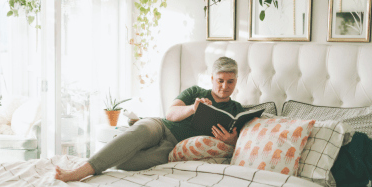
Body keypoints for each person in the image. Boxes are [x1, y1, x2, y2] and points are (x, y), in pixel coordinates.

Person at [55, 57, 245, 182]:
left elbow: (242, 142)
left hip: (173, 148)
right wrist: (192, 108)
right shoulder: (195, 92)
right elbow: (170, 114)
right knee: (142, 131)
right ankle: (80, 171)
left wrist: (232, 141)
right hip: (161, 126)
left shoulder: (237, 109)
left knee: (124, 161)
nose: (224, 86)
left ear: (236, 81)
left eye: (230, 81)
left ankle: (116, 144)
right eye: (220, 80)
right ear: (212, 78)